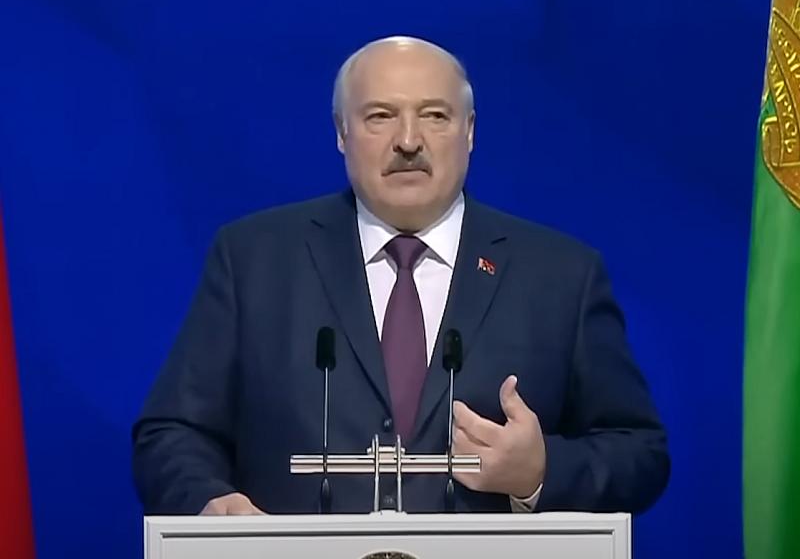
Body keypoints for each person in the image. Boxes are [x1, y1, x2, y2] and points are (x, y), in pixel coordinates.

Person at [132, 36, 669, 516]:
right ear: (342, 133)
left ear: (470, 132)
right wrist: (210, 502)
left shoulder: (560, 275)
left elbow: (639, 452)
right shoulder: (254, 260)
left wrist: (541, 472)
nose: (409, 140)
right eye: (380, 116)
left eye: (434, 115)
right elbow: (172, 435)